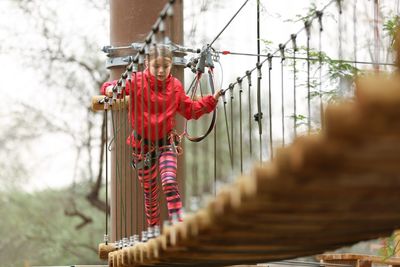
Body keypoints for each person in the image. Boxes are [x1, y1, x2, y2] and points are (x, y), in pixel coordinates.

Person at [100, 45, 222, 230]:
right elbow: (111, 87)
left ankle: (178, 225)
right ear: (147, 64)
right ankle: (154, 230)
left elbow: (190, 110)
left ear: (171, 65)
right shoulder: (136, 81)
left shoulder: (175, 87)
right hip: (142, 148)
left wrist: (210, 101)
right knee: (150, 194)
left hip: (166, 144)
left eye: (165, 66)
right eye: (156, 66)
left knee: (169, 181)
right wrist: (108, 89)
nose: (161, 70)